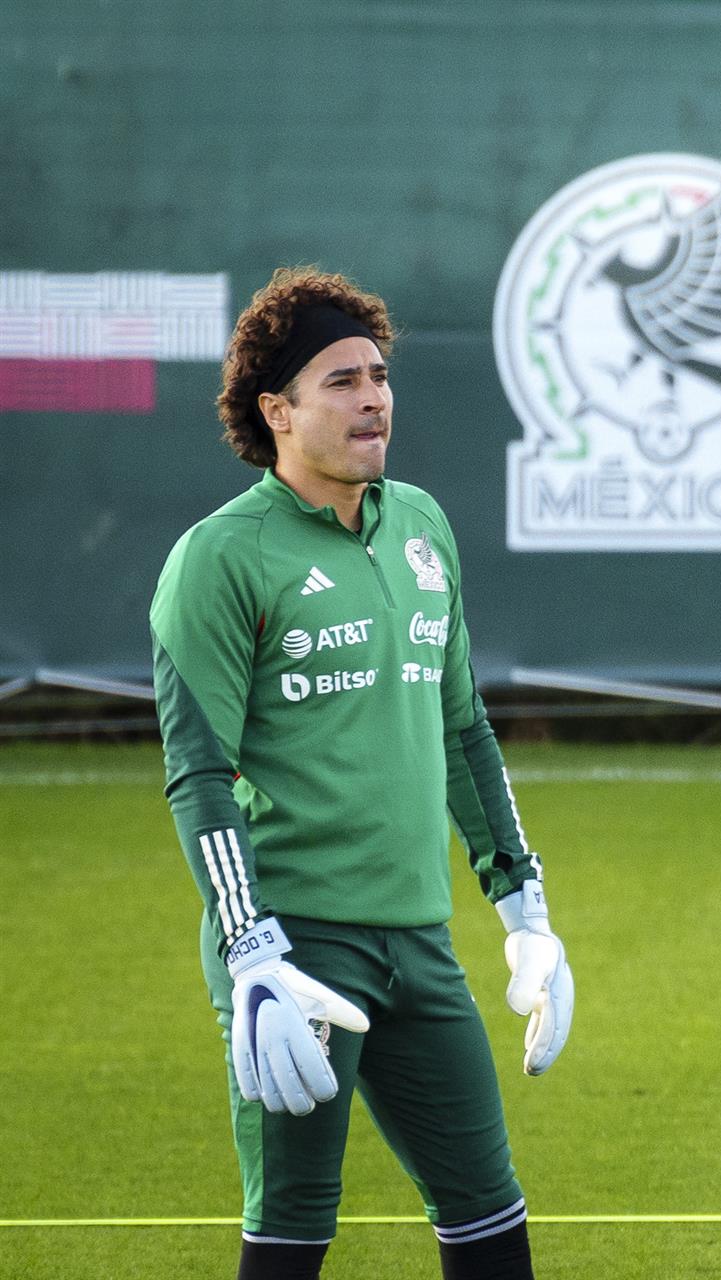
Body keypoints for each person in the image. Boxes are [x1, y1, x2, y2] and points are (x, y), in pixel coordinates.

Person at [150, 266, 574, 1280]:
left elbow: (464, 727)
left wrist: (523, 906)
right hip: (296, 947)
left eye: (379, 375)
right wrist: (251, 950)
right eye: (340, 380)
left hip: (419, 940)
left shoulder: (421, 526)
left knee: (489, 1215)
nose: (374, 396)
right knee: (293, 1227)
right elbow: (198, 775)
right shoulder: (221, 557)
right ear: (277, 409)